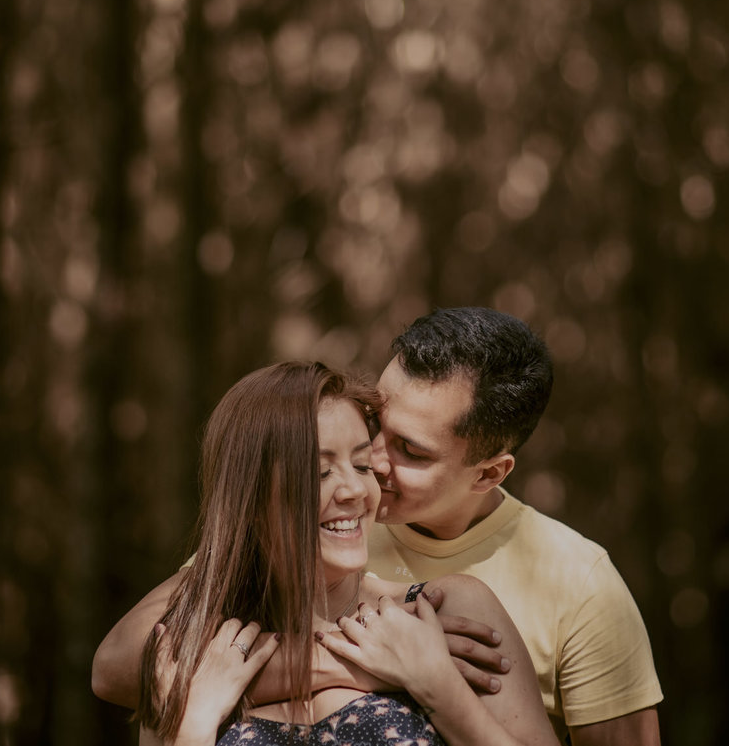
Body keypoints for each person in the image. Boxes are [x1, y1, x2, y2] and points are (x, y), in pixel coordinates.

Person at [96, 308, 663, 745]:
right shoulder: (245, 591)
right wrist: (354, 664)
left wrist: (438, 685)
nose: (369, 477)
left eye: (405, 451)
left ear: (489, 472)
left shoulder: (571, 583)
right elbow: (119, 666)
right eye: (376, 432)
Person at [134, 360, 558, 746]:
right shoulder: (191, 653)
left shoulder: (446, 614)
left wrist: (441, 690)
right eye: (320, 473)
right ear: (252, 499)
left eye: (362, 466)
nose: (356, 490)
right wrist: (195, 725)